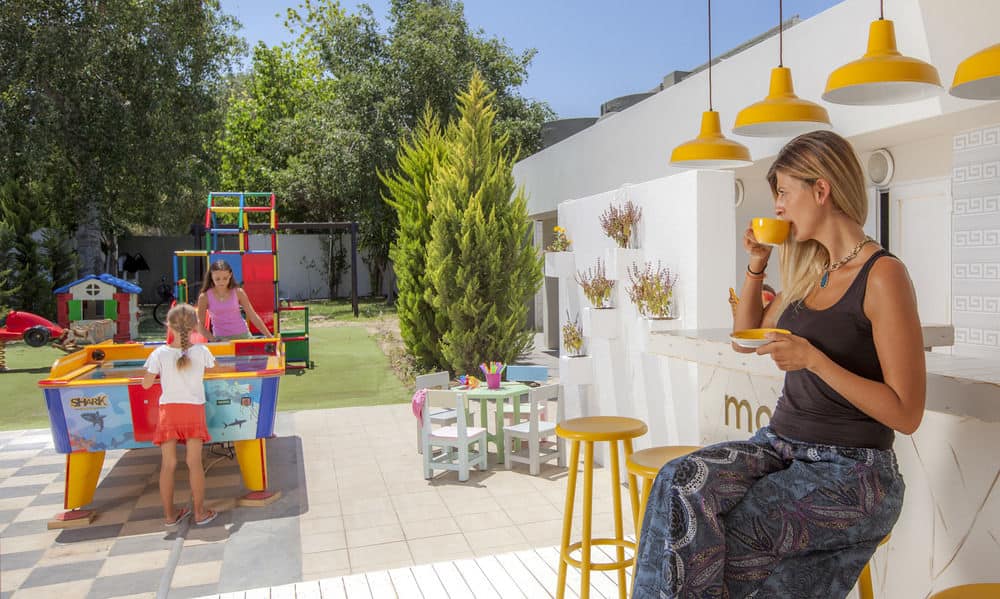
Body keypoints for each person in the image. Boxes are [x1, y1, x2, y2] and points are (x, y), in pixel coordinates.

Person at [632, 130, 925, 598]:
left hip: (854, 469)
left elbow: (906, 413)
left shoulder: (883, 275)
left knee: (736, 535)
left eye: (785, 193)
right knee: (677, 480)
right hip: (780, 447)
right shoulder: (812, 271)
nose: (779, 208)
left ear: (821, 189)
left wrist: (815, 360)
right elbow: (746, 340)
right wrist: (757, 263)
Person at [142, 304, 219, 527]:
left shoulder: (159, 354)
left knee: (168, 464)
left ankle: (169, 516)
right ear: (195, 326)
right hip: (193, 410)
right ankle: (200, 513)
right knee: (194, 462)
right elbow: (216, 369)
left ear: (168, 325)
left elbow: (146, 384)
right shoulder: (202, 351)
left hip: (169, 412)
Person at [196, 260, 272, 341]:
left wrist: (269, 336)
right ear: (211, 277)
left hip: (243, 336)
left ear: (230, 275)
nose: (221, 282)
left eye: (225, 278)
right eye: (217, 279)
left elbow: (253, 316)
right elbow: (200, 325)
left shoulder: (238, 292)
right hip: (221, 339)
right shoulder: (204, 297)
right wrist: (214, 339)